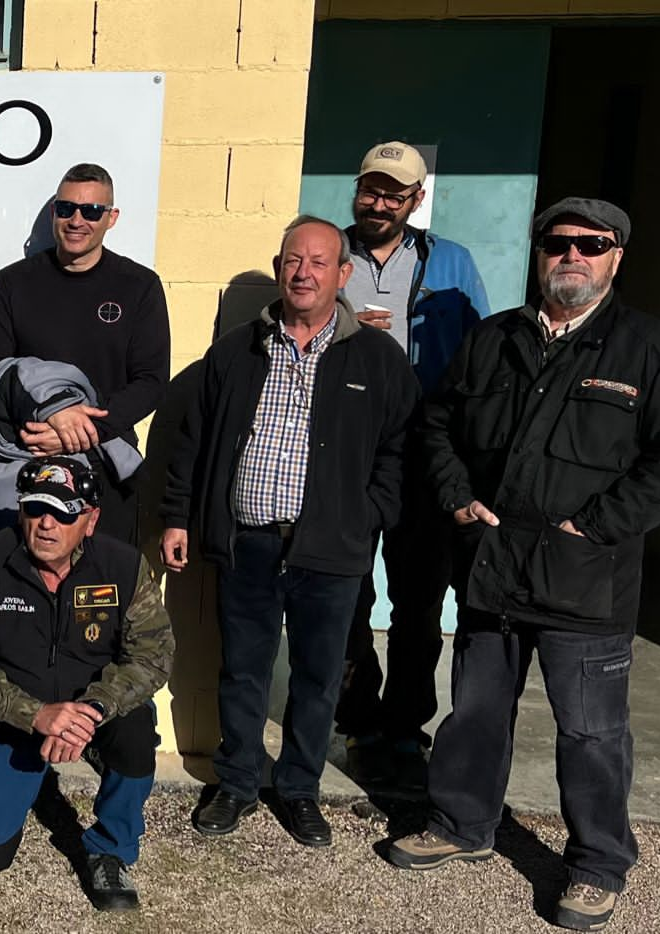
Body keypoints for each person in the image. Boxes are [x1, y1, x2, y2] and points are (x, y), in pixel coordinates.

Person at [386, 198, 660, 932]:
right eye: (558, 242)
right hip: (492, 568)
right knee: (473, 714)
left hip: (584, 579)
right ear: (540, 253)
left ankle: (598, 863)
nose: (573, 255)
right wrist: (458, 499)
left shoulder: (651, 351)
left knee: (592, 733)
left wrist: (596, 524)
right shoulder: (493, 338)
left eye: (591, 245)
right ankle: (461, 824)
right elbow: (437, 423)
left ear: (616, 257)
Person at [159, 216, 418, 848]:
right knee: (242, 669)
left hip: (331, 550)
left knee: (317, 674)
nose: (303, 273)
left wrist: (370, 513)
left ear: (343, 273)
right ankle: (240, 782)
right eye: (292, 261)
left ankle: (300, 789)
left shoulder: (377, 358)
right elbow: (191, 441)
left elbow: (401, 449)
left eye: (318, 263)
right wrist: (177, 514)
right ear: (280, 269)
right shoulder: (238, 348)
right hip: (247, 541)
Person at [0, 456, 173, 911]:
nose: (47, 524)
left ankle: (110, 848)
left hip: (94, 711)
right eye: (36, 509)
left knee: (137, 728)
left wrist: (93, 711)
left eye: (64, 513)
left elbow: (152, 655)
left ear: (90, 519)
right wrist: (36, 715)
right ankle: (2, 782)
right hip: (16, 716)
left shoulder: (122, 567)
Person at [334, 141, 491, 781]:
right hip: (345, 448)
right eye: (370, 189)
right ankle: (356, 718)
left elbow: (478, 352)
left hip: (421, 448)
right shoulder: (329, 252)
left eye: (393, 194)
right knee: (345, 589)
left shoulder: (450, 260)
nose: (378, 203)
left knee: (419, 598)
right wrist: (349, 329)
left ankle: (406, 724)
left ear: (415, 200)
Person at [0, 164, 170, 544]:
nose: (77, 220)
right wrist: (51, 415)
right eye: (66, 208)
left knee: (97, 592)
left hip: (102, 465)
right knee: (14, 587)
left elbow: (151, 382)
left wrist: (81, 434)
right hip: (25, 459)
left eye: (91, 211)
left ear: (111, 218)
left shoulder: (139, 286)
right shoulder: (15, 282)